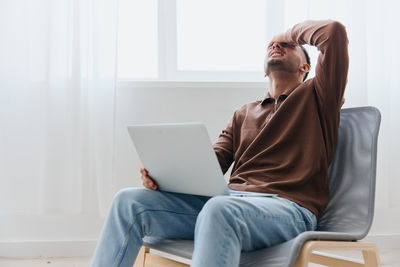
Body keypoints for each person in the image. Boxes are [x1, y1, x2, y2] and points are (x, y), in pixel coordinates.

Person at [90, 20, 349, 267]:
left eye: (287, 46)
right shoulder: (243, 113)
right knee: (128, 202)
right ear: (263, 71)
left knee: (219, 208)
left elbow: (333, 33)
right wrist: (166, 175)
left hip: (287, 208)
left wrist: (289, 34)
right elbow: (210, 164)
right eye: (271, 45)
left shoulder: (319, 96)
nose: (276, 45)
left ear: (305, 68)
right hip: (230, 201)